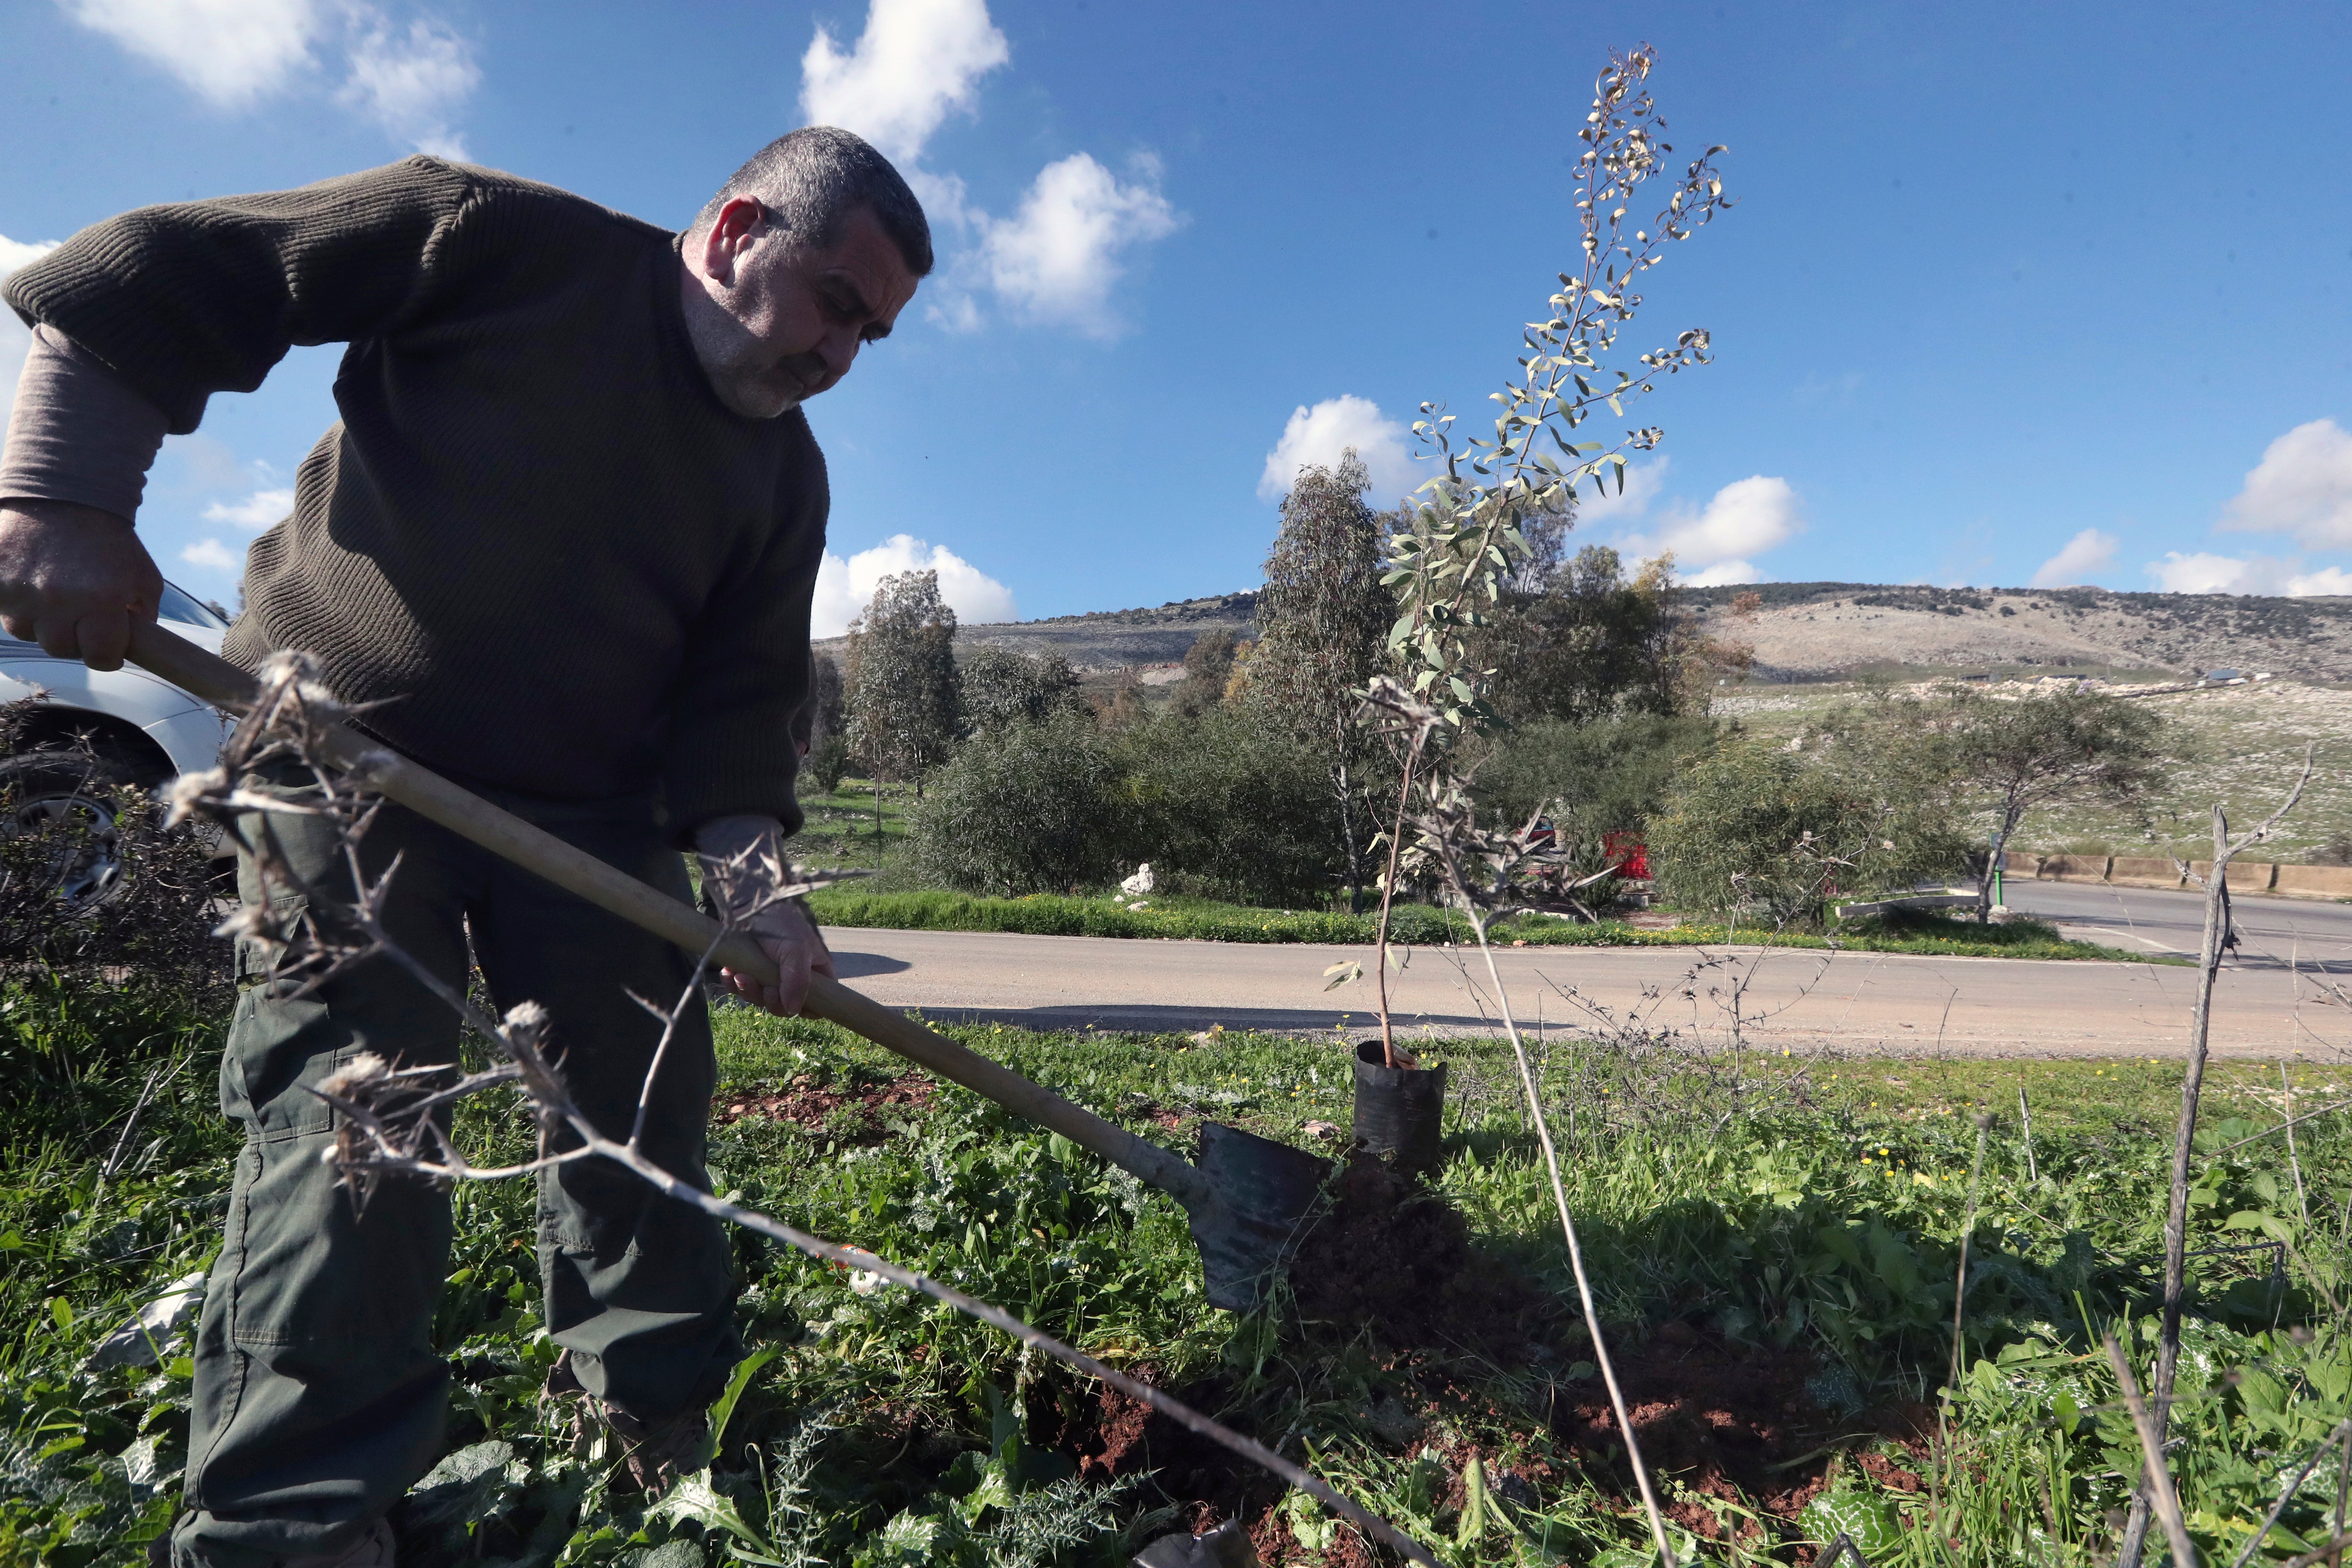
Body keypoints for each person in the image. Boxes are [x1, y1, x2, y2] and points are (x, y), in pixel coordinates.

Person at [0, 128, 927, 1568]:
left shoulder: (783, 480)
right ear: (741, 228)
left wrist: (763, 895)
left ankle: (663, 1417)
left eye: (872, 333)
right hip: (338, 755)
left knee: (646, 1100)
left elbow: (736, 720)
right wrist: (61, 498)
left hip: (594, 818)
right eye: (835, 302)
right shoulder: (490, 243)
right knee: (365, 1118)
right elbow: (164, 270)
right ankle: (293, 1517)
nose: (843, 354)